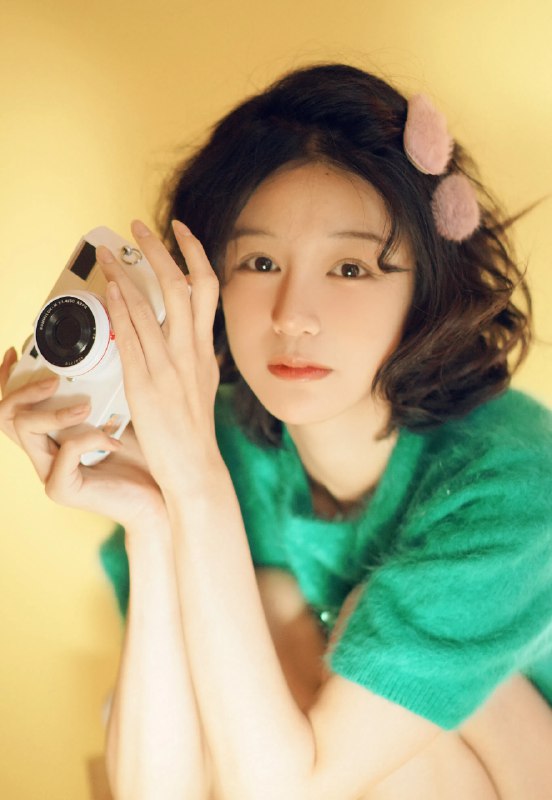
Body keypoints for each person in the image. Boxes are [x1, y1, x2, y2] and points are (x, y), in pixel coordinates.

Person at [1, 63, 551, 800]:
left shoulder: (509, 483)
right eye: (261, 262)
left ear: (426, 288)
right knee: (263, 612)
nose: (293, 315)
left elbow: (287, 786)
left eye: (350, 268)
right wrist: (155, 521)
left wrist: (194, 481)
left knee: (363, 646)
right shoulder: (225, 442)